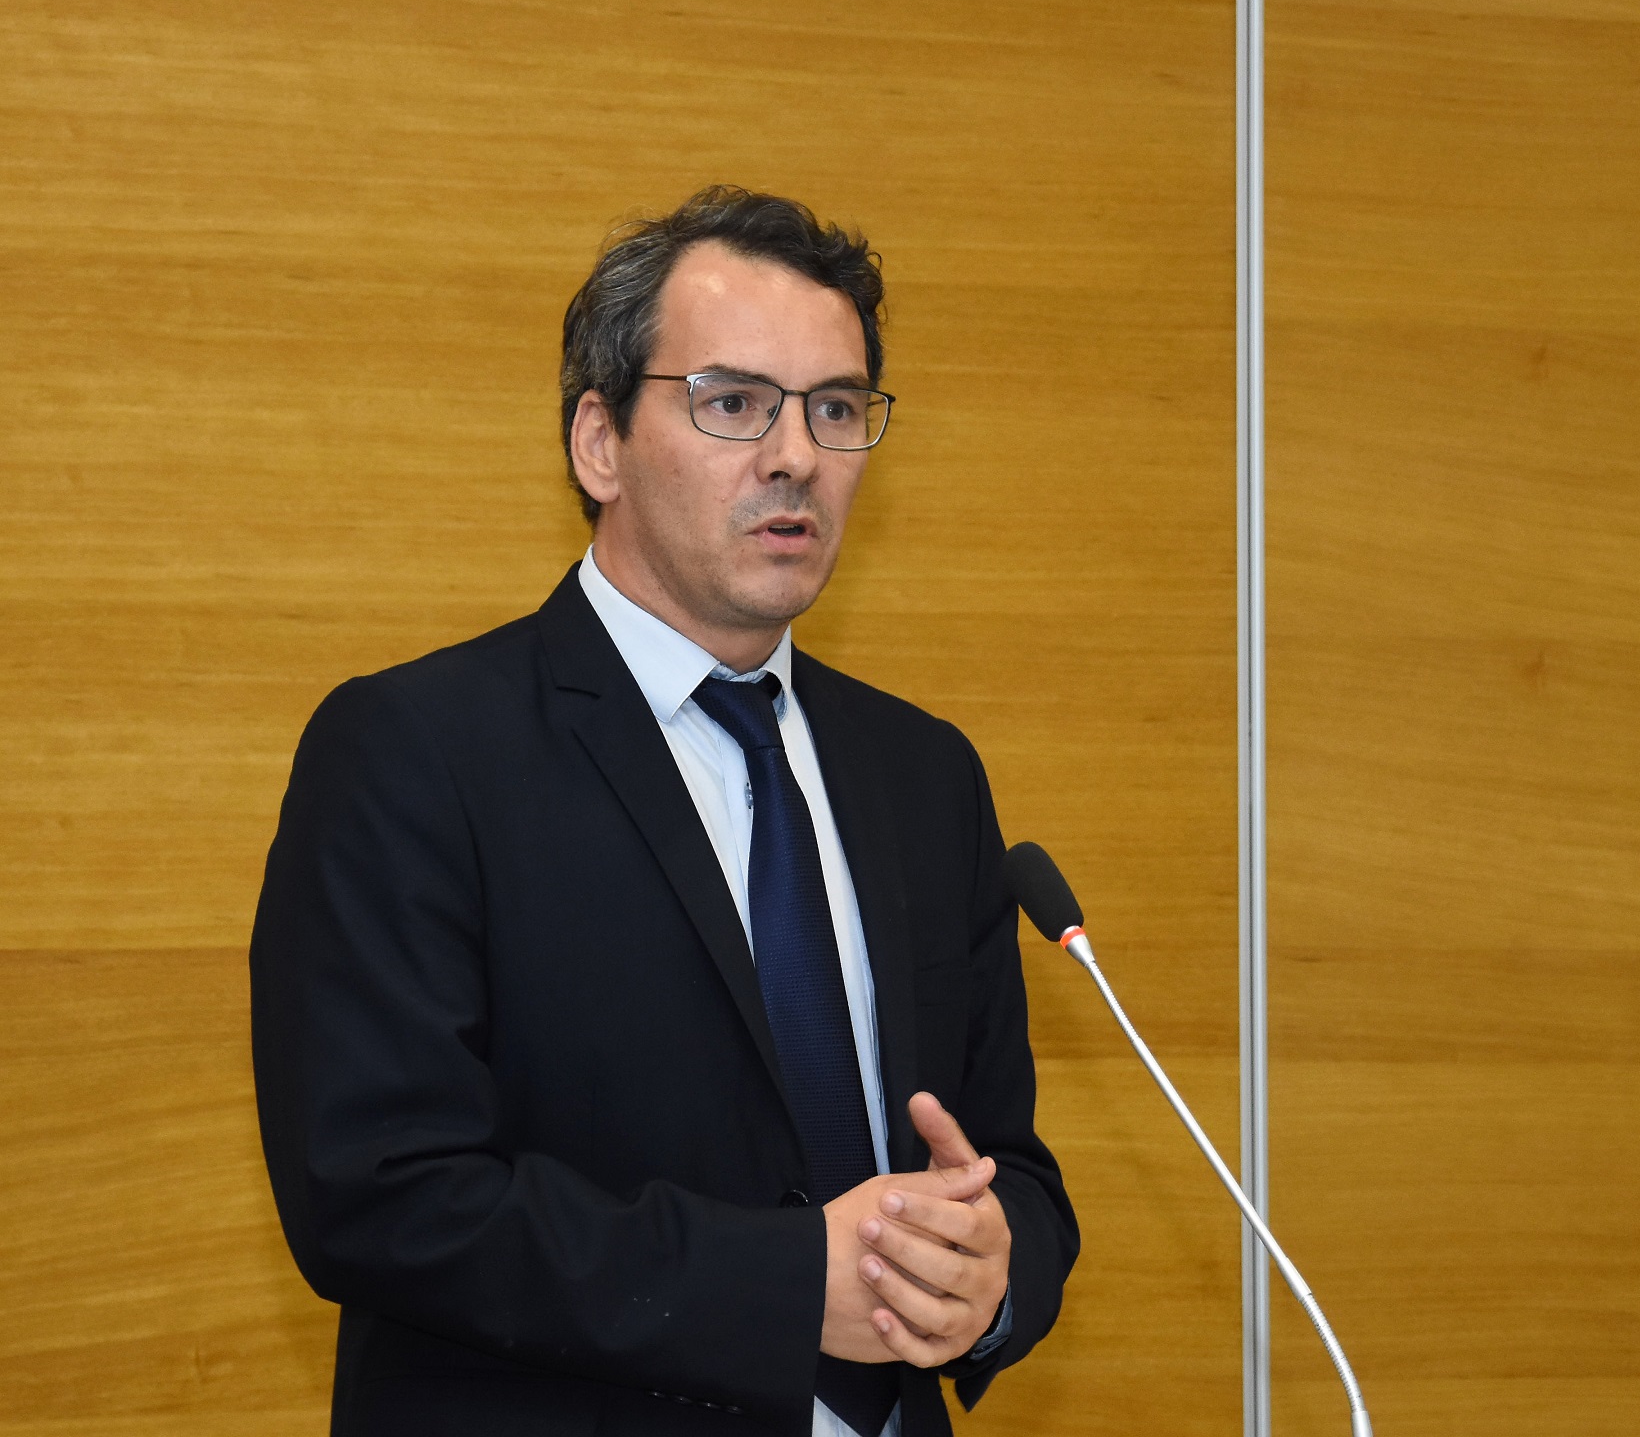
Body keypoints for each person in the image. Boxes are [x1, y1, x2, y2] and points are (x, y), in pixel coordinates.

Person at [251, 186, 1079, 1437]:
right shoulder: (416, 750)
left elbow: (1009, 1161)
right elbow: (378, 1195)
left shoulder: (924, 773)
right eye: (733, 402)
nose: (796, 456)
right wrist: (788, 1285)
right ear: (600, 443)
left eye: (836, 408)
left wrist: (994, 1272)